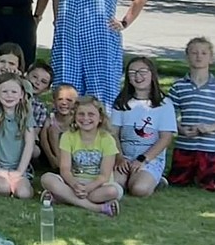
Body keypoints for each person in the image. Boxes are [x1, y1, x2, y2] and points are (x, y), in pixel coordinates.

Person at [39, 95, 122, 216]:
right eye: (81, 114)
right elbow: (65, 169)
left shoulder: (107, 139)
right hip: (73, 182)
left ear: (100, 118)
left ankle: (62, 197)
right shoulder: (68, 136)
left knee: (113, 191)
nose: (85, 118)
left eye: (91, 114)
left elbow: (105, 175)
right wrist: (74, 185)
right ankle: (96, 208)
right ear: (74, 117)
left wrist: (88, 188)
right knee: (47, 178)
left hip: (98, 185)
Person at [111, 57, 176, 197]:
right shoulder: (121, 103)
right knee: (114, 185)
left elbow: (165, 138)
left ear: (152, 74)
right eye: (132, 72)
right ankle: (133, 178)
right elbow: (113, 134)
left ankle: (155, 180)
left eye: (142, 71)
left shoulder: (164, 104)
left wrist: (143, 159)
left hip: (149, 159)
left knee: (139, 189)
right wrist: (120, 158)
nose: (137, 76)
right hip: (125, 157)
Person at [168, 37, 215, 190]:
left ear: (211, 58)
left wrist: (210, 128)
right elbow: (168, 114)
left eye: (203, 53)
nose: (199, 56)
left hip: (210, 147)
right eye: (194, 53)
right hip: (185, 145)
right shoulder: (179, 86)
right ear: (187, 57)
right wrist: (180, 128)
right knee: (176, 181)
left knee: (209, 185)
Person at [0, 73, 37, 199]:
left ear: (22, 94)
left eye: (14, 91)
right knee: (3, 189)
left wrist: (19, 172)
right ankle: (1, 180)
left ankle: (20, 182)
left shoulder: (26, 113)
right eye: (5, 91)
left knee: (24, 194)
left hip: (19, 167)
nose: (9, 95)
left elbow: (30, 143)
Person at [41, 84, 78, 168]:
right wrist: (51, 157)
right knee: (53, 129)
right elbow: (44, 140)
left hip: (71, 151)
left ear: (75, 104)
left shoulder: (76, 119)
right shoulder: (51, 117)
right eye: (60, 99)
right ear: (54, 102)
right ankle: (59, 162)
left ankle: (72, 162)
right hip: (55, 152)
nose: (64, 103)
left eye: (69, 100)